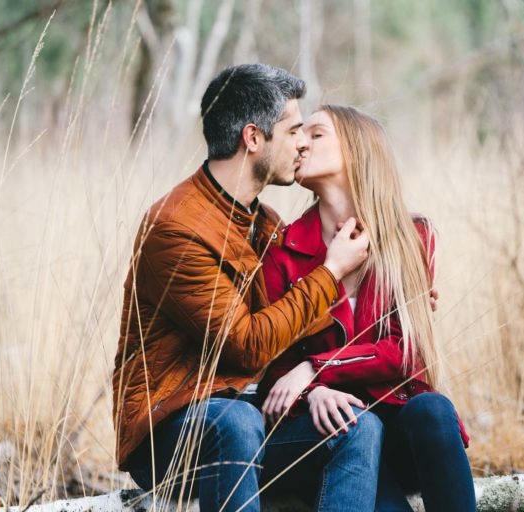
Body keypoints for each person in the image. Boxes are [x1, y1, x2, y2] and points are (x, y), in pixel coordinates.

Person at [112, 65, 383, 512]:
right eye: (294, 129)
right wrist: (331, 270)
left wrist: (387, 294)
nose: (302, 143)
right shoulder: (176, 229)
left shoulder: (267, 224)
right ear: (253, 138)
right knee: (235, 421)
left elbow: (296, 324)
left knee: (355, 425)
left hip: (249, 416)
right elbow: (247, 346)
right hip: (168, 434)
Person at [259, 105, 477, 512]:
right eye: (301, 134)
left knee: (433, 408)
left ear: (357, 151)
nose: (301, 142)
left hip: (404, 429)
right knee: (359, 433)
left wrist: (316, 369)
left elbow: (403, 350)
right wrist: (315, 392)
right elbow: (275, 366)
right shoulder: (283, 252)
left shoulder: (412, 237)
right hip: (338, 433)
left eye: (317, 134)